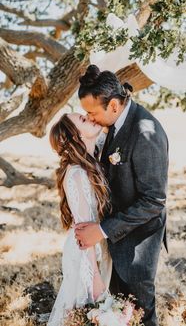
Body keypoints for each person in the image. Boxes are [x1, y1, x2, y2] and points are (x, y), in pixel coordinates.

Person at [75, 65, 169, 326]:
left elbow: (154, 200)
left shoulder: (146, 133)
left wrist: (103, 230)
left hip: (138, 243)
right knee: (116, 314)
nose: (90, 118)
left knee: (139, 315)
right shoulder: (114, 123)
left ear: (114, 105)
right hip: (113, 242)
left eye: (92, 112)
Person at [47, 112, 112, 326]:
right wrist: (93, 277)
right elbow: (85, 234)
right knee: (89, 312)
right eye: (83, 120)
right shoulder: (77, 175)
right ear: (76, 137)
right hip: (87, 257)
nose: (90, 117)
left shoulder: (92, 162)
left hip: (100, 251)